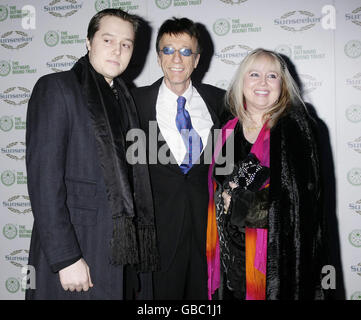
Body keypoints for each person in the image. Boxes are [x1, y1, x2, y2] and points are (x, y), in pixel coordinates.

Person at [25, 8, 157, 300]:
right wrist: (66, 258)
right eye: (108, 40)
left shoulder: (124, 99)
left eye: (126, 44)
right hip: (77, 249)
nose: (117, 50)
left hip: (117, 251)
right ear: (88, 41)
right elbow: (44, 182)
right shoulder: (57, 88)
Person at [207, 48, 328, 300]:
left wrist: (241, 204)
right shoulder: (227, 127)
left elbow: (301, 207)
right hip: (231, 264)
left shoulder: (295, 127)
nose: (262, 82)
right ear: (242, 82)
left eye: (272, 76)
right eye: (254, 74)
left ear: (282, 85)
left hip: (275, 267)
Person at [131, 17, 226, 299]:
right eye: (168, 49)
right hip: (155, 241)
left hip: (209, 238)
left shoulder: (222, 102)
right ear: (159, 56)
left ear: (196, 60)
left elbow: (230, 165)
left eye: (186, 51)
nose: (176, 58)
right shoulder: (133, 104)